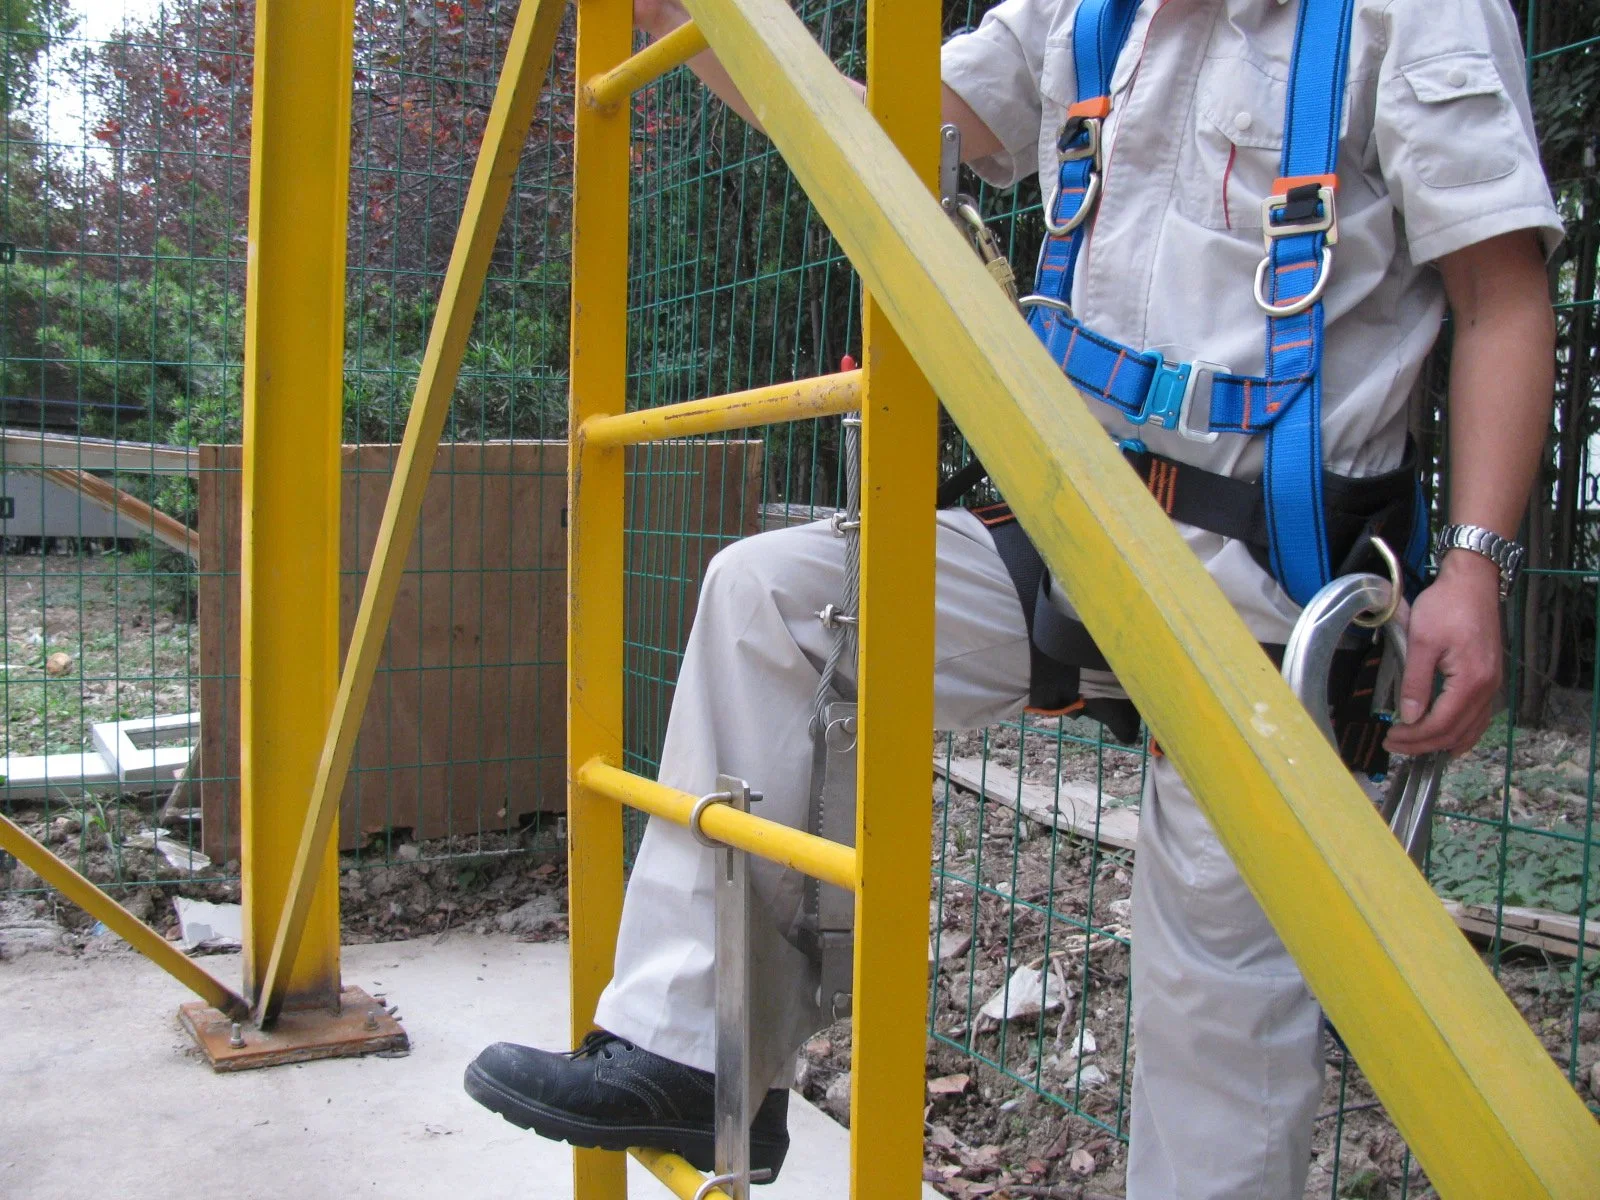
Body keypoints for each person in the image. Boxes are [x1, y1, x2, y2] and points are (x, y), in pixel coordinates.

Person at [464, 0, 1563, 1195]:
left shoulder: (1411, 15)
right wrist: (695, 23)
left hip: (1268, 585)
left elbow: (1498, 297)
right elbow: (868, 128)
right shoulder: (1085, 17)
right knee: (771, 600)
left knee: (1217, 1008)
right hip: (1068, 539)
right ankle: (695, 1056)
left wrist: (1472, 567)